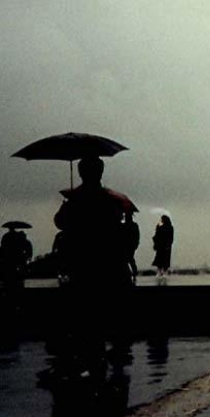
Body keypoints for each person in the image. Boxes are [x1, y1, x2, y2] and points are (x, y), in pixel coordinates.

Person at [51, 155, 134, 379]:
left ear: (80, 172)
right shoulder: (110, 199)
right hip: (108, 266)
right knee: (108, 314)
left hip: (83, 266)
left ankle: (91, 364)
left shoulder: (75, 199)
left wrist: (66, 206)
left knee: (86, 319)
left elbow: (60, 222)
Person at [123, 210, 140, 285]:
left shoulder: (124, 225)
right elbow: (137, 236)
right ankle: (134, 272)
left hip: (127, 244)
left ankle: (132, 272)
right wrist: (136, 244)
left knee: (128, 259)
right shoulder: (134, 225)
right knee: (130, 258)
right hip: (132, 245)